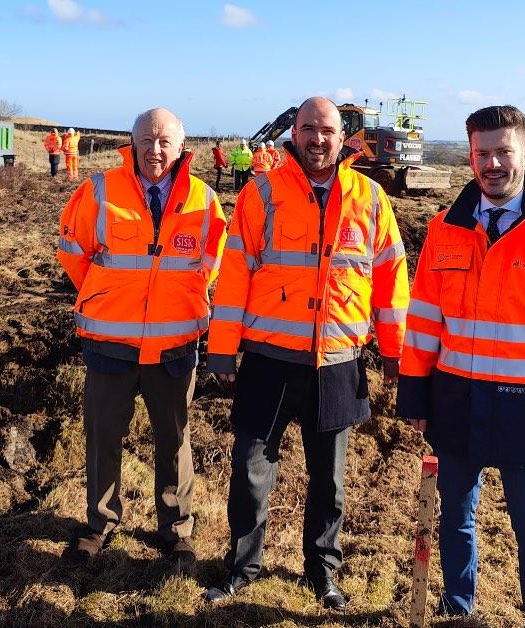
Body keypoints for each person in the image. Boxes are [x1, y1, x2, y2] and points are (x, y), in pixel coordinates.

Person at [203, 97, 410, 610]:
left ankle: (323, 572)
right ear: (293, 134)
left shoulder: (371, 197)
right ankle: (243, 566)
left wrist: (394, 351)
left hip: (337, 363)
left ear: (344, 139)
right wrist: (223, 350)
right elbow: (234, 275)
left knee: (330, 481)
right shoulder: (262, 192)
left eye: (328, 131)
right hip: (269, 360)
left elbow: (390, 280)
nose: (318, 139)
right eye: (308, 129)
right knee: (251, 472)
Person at [396, 105, 525, 626]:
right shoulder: (443, 229)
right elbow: (423, 321)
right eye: (483, 153)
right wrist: (415, 396)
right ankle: (457, 609)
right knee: (455, 519)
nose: (493, 163)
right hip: (455, 402)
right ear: (470, 158)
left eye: (504, 151)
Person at [56, 107, 227, 576]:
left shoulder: (203, 200)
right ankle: (100, 523)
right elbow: (74, 254)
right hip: (110, 344)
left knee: (175, 440)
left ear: (180, 145)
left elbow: (213, 265)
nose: (156, 150)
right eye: (147, 141)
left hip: (174, 349)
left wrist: (181, 302)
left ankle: (176, 531)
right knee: (103, 437)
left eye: (165, 141)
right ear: (132, 144)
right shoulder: (98, 191)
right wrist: (108, 296)